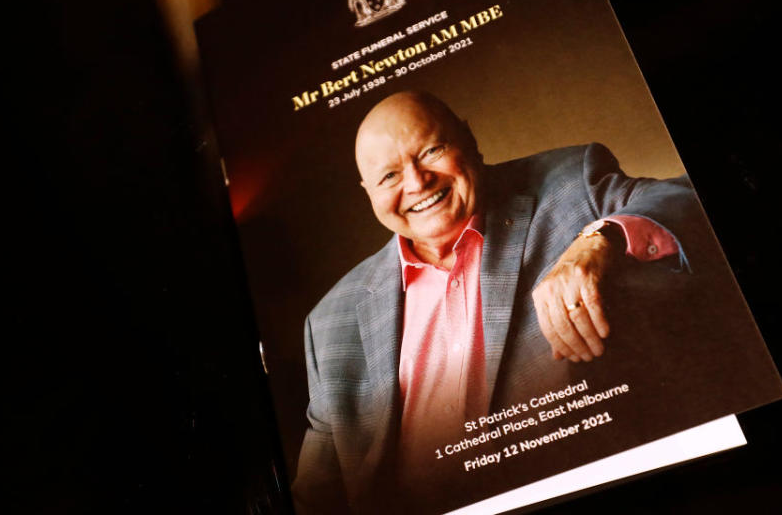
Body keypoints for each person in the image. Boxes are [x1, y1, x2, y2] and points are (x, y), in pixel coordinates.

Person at [292, 91, 698, 513]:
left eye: (432, 150)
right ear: (367, 192)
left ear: (468, 139)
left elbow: (690, 201)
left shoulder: (570, 183)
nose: (416, 183)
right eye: (389, 176)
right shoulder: (329, 321)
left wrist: (601, 238)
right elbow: (315, 499)